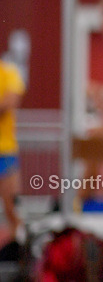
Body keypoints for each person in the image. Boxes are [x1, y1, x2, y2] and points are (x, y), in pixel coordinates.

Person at [0, 51, 24, 247]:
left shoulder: (9, 73)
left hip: (5, 151)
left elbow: (10, 102)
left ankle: (18, 251)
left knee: (12, 207)